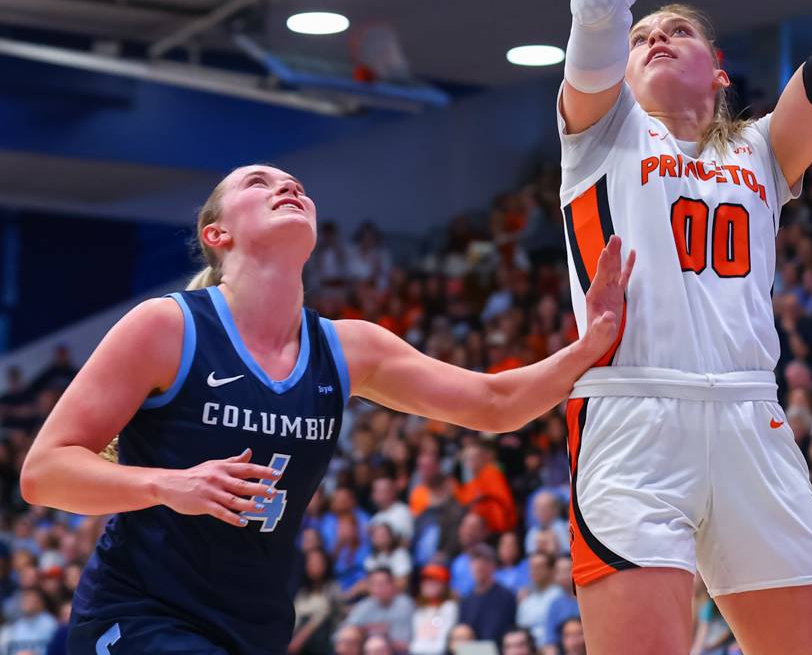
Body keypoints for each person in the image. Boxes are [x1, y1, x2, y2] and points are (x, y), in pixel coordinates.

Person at [18, 165, 631, 655]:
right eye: (258, 183)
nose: (287, 186)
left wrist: (590, 344)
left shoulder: (349, 347)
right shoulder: (166, 328)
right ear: (217, 234)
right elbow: (44, 471)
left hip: (255, 623)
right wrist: (169, 484)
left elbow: (496, 405)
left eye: (296, 185)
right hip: (141, 613)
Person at [557, 0, 812, 655]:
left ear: (721, 69)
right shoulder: (600, 134)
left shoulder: (765, 149)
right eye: (641, 40)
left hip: (749, 415)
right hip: (633, 413)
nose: (655, 37)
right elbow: (598, 2)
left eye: (679, 32)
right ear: (619, 76)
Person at [458, 544, 516, 642]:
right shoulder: (466, 600)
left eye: (484, 564)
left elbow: (498, 632)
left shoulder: (505, 597)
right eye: (474, 563)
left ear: (493, 567)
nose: (478, 567)